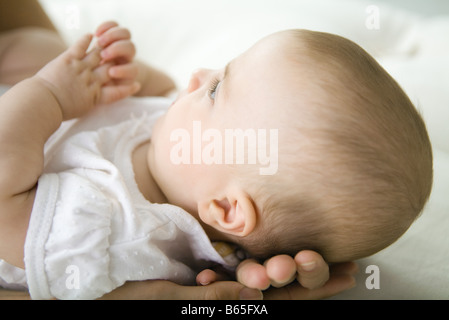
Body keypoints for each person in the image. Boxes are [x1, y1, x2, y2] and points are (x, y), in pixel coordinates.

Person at [0, 1, 356, 300]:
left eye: (215, 91)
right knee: (38, 45)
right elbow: (161, 91)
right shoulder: (181, 160)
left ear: (227, 208)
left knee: (32, 50)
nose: (198, 74)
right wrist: (120, 73)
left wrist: (49, 93)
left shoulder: (112, 229)